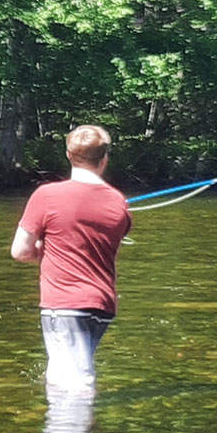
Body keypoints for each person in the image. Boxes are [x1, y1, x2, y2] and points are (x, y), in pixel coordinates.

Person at [10, 125, 132, 393]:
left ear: (68, 154)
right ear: (104, 159)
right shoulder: (119, 202)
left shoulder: (46, 195)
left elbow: (20, 251)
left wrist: (50, 248)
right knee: (62, 374)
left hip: (64, 303)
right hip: (102, 306)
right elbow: (104, 250)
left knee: (75, 382)